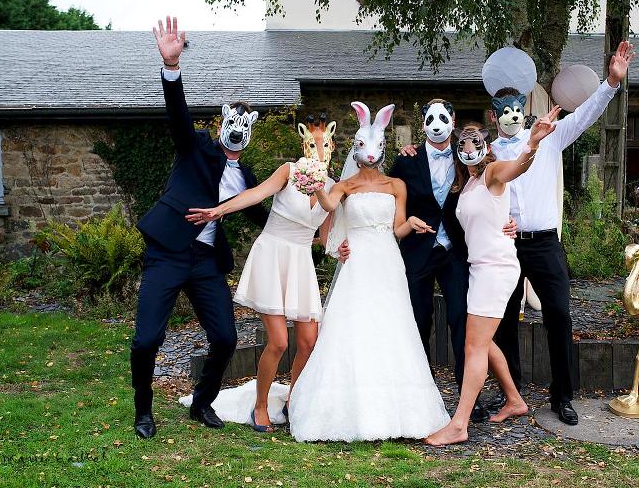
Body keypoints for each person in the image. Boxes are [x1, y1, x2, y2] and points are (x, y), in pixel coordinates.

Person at [131, 16, 269, 439]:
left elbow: (264, 216)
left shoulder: (246, 178)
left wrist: (317, 218)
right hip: (169, 253)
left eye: (245, 129)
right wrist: (172, 68)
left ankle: (203, 401)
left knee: (226, 338)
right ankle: (143, 411)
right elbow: (177, 116)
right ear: (223, 122)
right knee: (146, 340)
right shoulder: (195, 149)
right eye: (232, 124)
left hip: (207, 262)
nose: (236, 133)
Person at [491, 41, 636, 426]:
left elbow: (586, 114)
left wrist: (610, 82)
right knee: (504, 319)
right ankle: (511, 393)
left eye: (516, 110)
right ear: (495, 118)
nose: (511, 116)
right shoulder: (488, 152)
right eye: (504, 113)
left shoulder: (551, 136)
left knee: (559, 314)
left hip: (544, 244)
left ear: (524, 110)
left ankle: (562, 396)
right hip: (505, 246)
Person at [287, 101, 450, 442]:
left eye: (375, 146)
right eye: (363, 146)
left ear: (383, 149)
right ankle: (350, 404)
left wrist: (413, 224)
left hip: (388, 260)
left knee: (392, 326)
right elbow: (328, 208)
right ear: (357, 149)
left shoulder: (395, 186)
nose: (370, 153)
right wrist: (315, 180)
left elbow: (397, 228)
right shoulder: (345, 188)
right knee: (354, 325)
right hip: (358, 261)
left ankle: (396, 408)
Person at [185, 116, 348, 433]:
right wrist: (219, 210)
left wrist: (339, 248)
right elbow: (257, 194)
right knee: (278, 342)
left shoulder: (332, 188)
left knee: (309, 340)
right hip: (273, 255)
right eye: (311, 143)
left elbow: (323, 237)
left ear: (331, 147)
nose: (316, 149)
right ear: (304, 145)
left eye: (323, 144)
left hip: (300, 261)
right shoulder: (289, 170)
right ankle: (259, 406)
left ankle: (293, 400)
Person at [425, 112, 558, 446]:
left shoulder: (493, 173)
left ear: (485, 146)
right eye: (463, 143)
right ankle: (515, 400)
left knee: (474, 345)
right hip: (479, 267)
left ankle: (459, 424)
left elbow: (518, 167)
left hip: (496, 268)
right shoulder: (467, 182)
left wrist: (531, 144)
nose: (468, 147)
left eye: (475, 142)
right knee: (483, 342)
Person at [390, 100, 516, 423]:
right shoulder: (407, 160)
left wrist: (509, 221)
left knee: (462, 322)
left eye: (443, 117)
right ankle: (420, 397)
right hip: (418, 251)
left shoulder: (467, 158)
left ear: (453, 119)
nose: (436, 124)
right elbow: (388, 199)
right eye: (429, 119)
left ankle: (467, 400)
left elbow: (491, 191)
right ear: (422, 124)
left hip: (457, 254)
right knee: (417, 322)